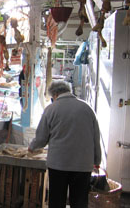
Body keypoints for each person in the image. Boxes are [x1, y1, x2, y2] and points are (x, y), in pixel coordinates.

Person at [28, 80, 101, 208]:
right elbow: (96, 137)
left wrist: (32, 147)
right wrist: (97, 160)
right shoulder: (87, 108)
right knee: (79, 202)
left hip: (59, 165)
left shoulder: (51, 109)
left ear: (55, 94)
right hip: (83, 165)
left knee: (57, 200)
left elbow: (41, 138)